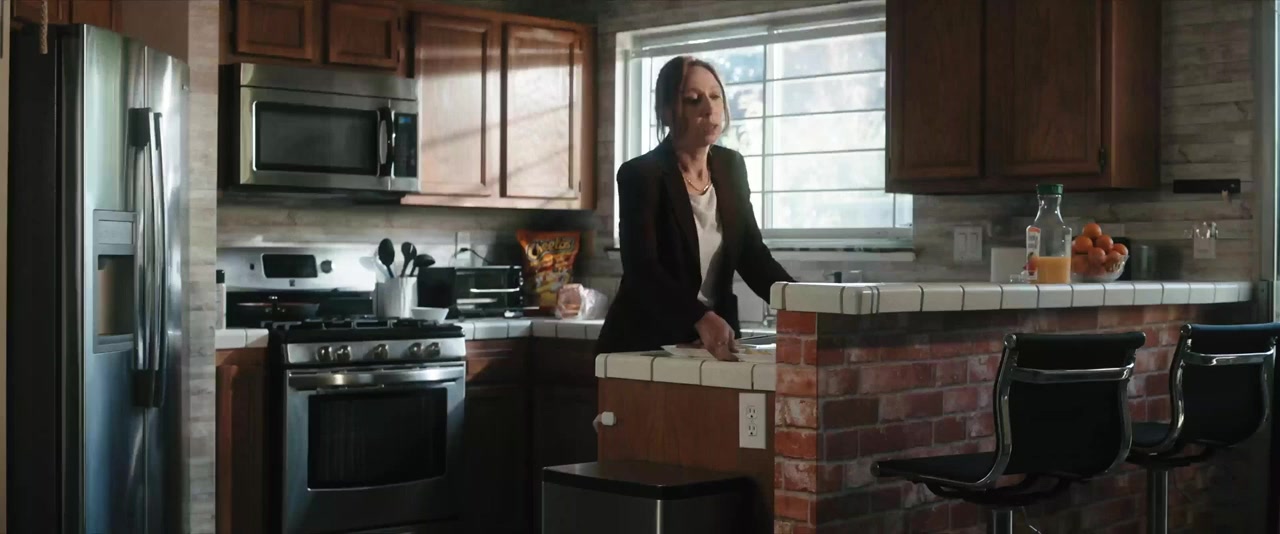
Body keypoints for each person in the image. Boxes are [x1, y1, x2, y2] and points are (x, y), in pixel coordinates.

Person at [596, 56, 794, 361]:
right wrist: (700, 317)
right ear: (665, 112)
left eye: (715, 96)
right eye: (693, 99)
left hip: (710, 344)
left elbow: (752, 255)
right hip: (644, 343)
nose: (709, 108)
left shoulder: (731, 166)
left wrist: (805, 304)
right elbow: (643, 270)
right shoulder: (641, 175)